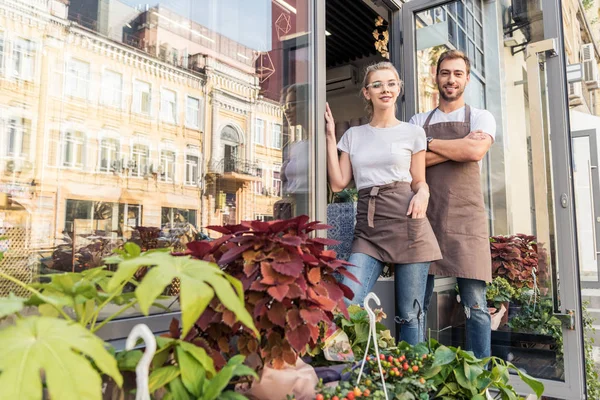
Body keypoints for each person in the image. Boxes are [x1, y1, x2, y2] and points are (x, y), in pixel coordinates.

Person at [326, 61, 442, 345]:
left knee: (409, 316)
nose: (385, 89)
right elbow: (338, 183)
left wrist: (424, 193)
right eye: (377, 84)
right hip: (368, 227)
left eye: (391, 83)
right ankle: (353, 373)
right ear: (367, 93)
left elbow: (418, 180)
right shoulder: (353, 135)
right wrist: (330, 137)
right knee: (349, 302)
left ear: (399, 88)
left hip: (408, 222)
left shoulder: (412, 132)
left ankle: (414, 384)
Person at [409, 50, 496, 359]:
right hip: (425, 217)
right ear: (437, 77)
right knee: (419, 303)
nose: (451, 79)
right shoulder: (418, 119)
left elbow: (475, 153)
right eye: (445, 72)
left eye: (458, 74)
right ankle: (416, 372)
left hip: (467, 219)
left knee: (476, 306)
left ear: (467, 79)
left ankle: (480, 377)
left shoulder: (481, 117)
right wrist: (460, 146)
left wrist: (428, 144)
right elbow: (411, 165)